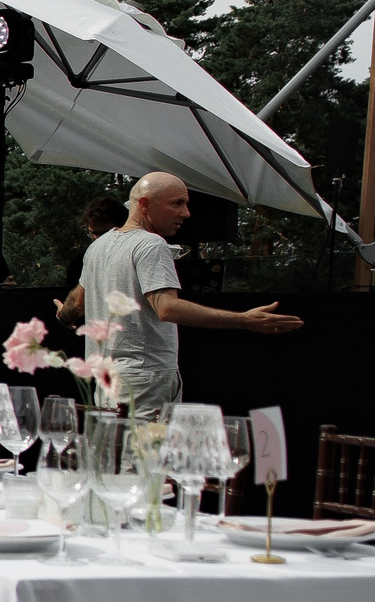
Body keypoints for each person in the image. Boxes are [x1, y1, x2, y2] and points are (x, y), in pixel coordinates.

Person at [78, 170, 302, 418]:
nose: (186, 213)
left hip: (106, 377)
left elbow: (76, 303)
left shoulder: (97, 246)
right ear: (144, 204)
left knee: (111, 453)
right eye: (177, 203)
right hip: (143, 379)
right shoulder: (151, 244)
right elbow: (167, 308)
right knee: (143, 455)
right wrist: (244, 320)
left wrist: (63, 315)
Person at [54, 194, 130, 326]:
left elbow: (76, 303)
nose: (98, 239)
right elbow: (77, 303)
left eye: (105, 233)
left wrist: (66, 314)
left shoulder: (137, 255)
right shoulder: (79, 262)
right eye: (93, 233)